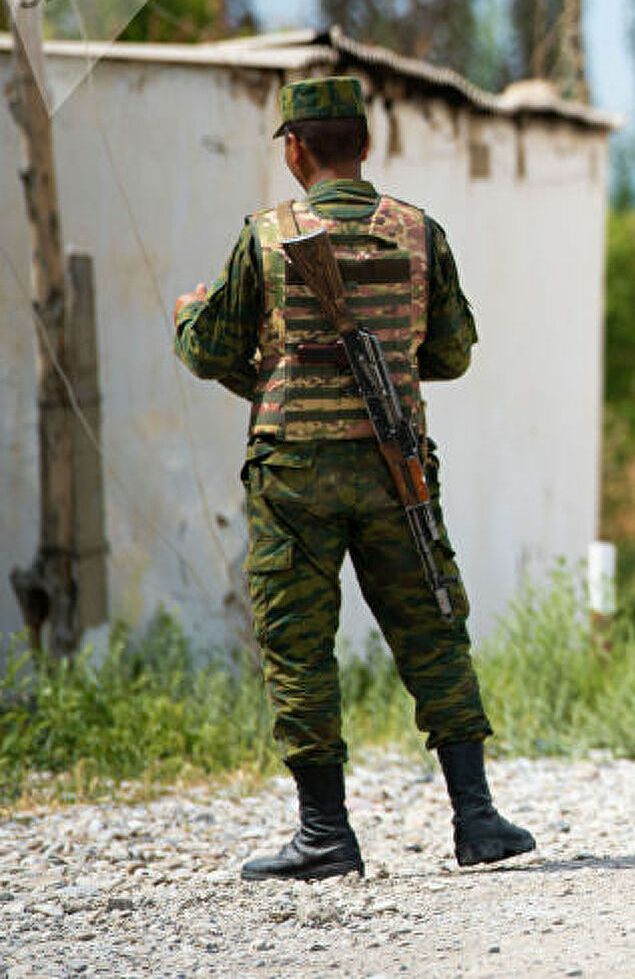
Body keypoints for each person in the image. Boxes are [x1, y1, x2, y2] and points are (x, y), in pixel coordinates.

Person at [173, 75, 535, 881]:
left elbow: (210, 351)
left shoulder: (265, 237)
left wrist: (187, 315)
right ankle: (476, 820)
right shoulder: (418, 232)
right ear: (366, 144)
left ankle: (325, 832)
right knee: (432, 625)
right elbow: (451, 354)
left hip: (293, 474)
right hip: (392, 468)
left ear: (295, 150)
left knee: (298, 645)